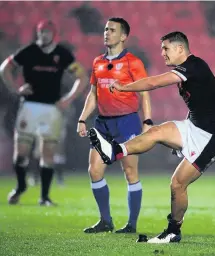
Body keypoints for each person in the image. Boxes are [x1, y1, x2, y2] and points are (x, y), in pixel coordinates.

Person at [86, 31, 215, 243]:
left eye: (166, 48)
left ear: (180, 49)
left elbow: (153, 83)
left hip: (211, 138)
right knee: (156, 132)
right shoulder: (191, 71)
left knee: (177, 184)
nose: (162, 53)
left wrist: (124, 87)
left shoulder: (194, 65)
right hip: (193, 127)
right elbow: (203, 102)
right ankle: (115, 151)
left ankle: (173, 231)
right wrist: (181, 137)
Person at [77, 17, 152, 234]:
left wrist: (147, 121)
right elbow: (93, 94)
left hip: (128, 122)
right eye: (105, 29)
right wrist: (82, 118)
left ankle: (131, 225)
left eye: (112, 30)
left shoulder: (133, 62)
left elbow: (144, 92)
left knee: (129, 171)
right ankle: (105, 221)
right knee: (94, 171)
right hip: (102, 124)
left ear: (123, 36)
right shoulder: (97, 62)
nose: (106, 33)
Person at [0, 20, 88, 206]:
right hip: (29, 106)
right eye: (41, 32)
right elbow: (5, 68)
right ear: (37, 33)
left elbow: (82, 77)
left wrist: (68, 99)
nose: (44, 35)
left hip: (52, 109)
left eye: (47, 32)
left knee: (48, 153)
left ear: (53, 34)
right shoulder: (29, 51)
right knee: (21, 153)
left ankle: (44, 197)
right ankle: (21, 186)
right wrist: (15, 89)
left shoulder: (62, 54)